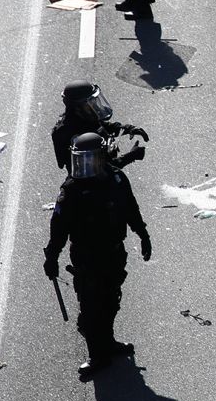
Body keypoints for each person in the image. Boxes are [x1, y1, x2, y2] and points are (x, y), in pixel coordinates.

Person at [43, 132, 152, 380]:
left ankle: (109, 342)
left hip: (113, 253)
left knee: (111, 300)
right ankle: (96, 355)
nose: (84, 166)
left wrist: (143, 235)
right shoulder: (71, 191)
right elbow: (58, 228)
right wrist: (52, 257)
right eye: (80, 160)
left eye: (90, 159)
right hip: (87, 259)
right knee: (91, 307)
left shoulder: (116, 180)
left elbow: (131, 209)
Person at [51, 81, 146, 174]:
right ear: (77, 107)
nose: (95, 105)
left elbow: (102, 126)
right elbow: (99, 170)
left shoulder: (83, 118)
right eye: (90, 103)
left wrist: (127, 128)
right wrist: (131, 156)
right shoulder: (73, 136)